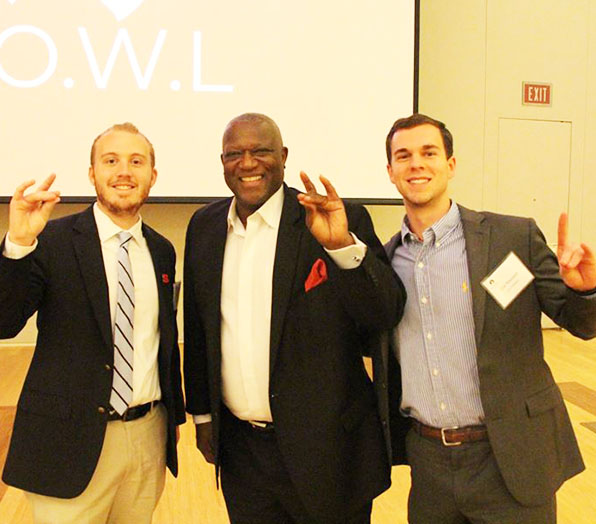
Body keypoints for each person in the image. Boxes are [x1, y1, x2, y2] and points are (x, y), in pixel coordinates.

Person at [182, 112, 406, 524]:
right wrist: (203, 416)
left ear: (283, 156)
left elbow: (383, 312)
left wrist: (342, 248)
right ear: (222, 162)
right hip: (243, 455)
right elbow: (199, 332)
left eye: (261, 151)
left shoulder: (335, 220)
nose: (248, 163)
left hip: (329, 455)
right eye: (235, 154)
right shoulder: (205, 227)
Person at [383, 113, 596, 523]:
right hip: (429, 464)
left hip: (509, 455)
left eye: (429, 152)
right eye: (403, 156)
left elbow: (581, 323)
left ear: (451, 164)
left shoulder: (510, 238)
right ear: (390, 172)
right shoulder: (387, 261)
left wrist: (585, 290)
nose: (417, 164)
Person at [0, 122, 185, 524]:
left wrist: (171, 421)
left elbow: (161, 342)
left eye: (136, 161)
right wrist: (17, 244)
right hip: (67, 442)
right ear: (92, 174)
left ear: (152, 177)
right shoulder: (50, 241)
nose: (124, 171)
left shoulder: (161, 250)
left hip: (146, 438)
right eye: (111, 161)